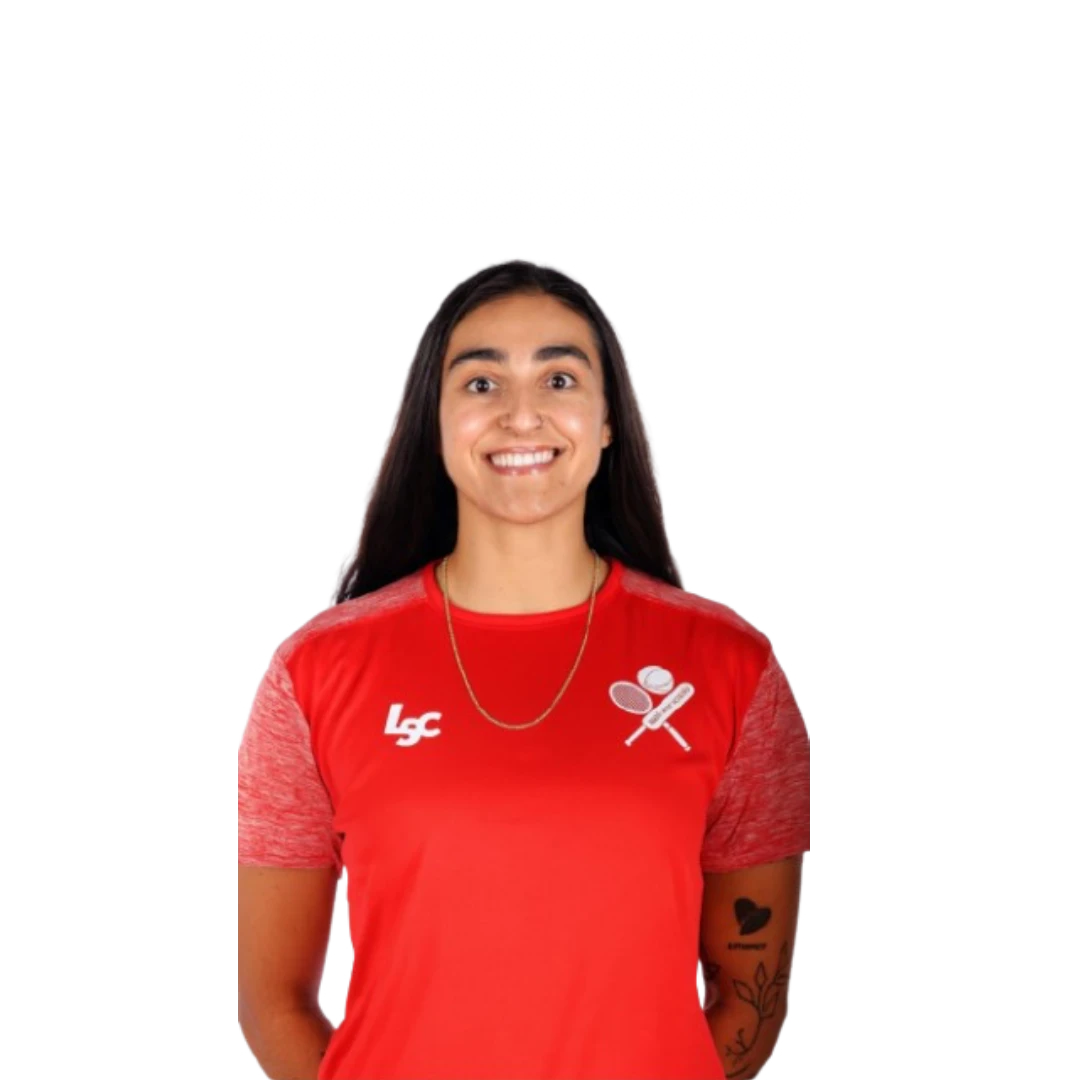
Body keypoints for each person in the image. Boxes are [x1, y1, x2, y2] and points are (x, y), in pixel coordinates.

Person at [237, 257, 811, 1080]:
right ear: (435, 422)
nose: (521, 414)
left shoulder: (732, 669)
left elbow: (751, 998)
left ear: (607, 421)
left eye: (559, 378)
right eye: (481, 383)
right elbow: (272, 1000)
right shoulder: (316, 672)